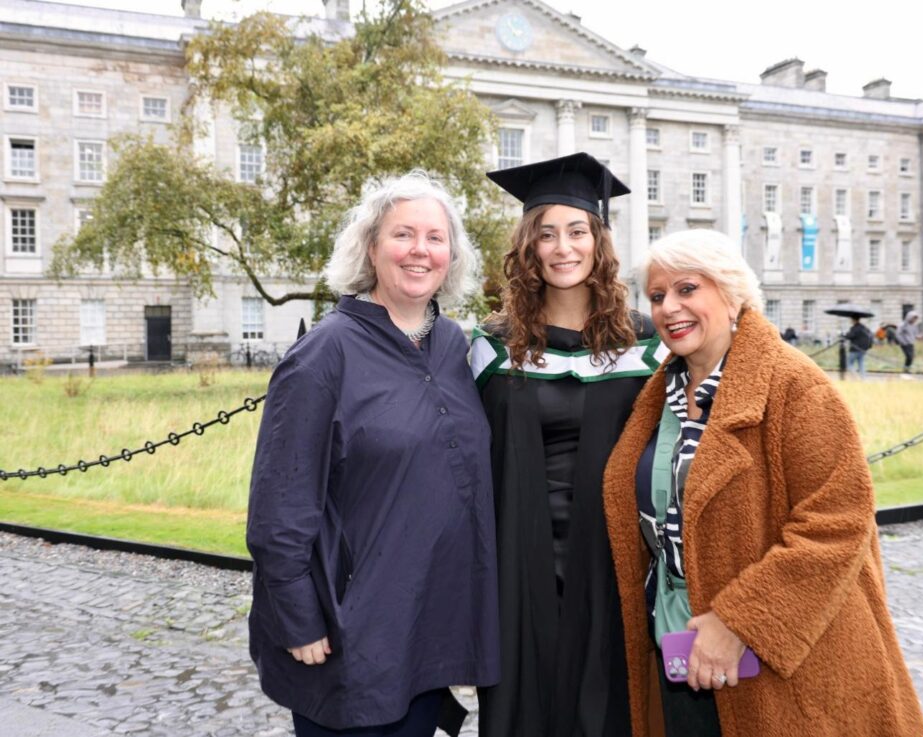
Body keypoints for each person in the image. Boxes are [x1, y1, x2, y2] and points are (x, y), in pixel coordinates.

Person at [603, 229, 923, 737]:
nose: (669, 308)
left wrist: (738, 622)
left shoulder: (796, 388)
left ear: (731, 295)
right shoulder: (659, 394)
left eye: (688, 289)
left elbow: (837, 523)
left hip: (785, 668)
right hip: (679, 651)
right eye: (659, 295)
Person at [246, 172, 499, 737]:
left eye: (435, 238)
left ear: (451, 255)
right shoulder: (325, 353)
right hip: (348, 631)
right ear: (370, 247)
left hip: (427, 626)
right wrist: (298, 619)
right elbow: (278, 506)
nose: (420, 250)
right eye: (403, 234)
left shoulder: (454, 346)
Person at [470, 152, 666, 737]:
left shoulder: (646, 344)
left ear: (598, 242)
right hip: (517, 556)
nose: (563, 248)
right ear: (528, 247)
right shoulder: (491, 345)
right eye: (547, 234)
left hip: (613, 555)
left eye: (577, 231)